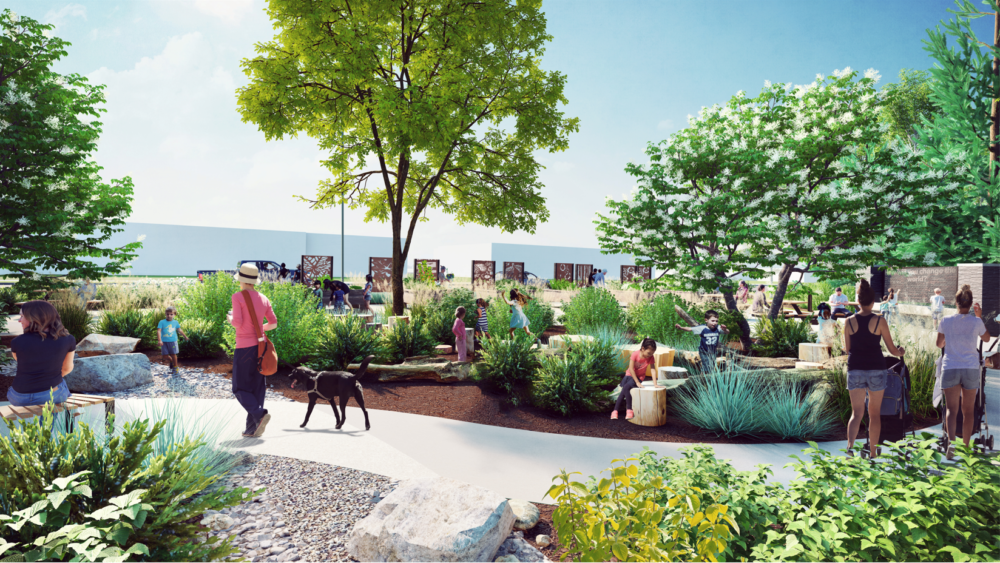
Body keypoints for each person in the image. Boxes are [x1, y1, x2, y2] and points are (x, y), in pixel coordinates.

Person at [844, 279, 906, 459]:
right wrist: (900, 351)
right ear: (873, 302)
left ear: (858, 301)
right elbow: (892, 349)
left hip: (855, 368)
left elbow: (847, 349)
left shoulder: (848, 322)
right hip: (876, 370)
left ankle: (849, 449)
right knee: (874, 414)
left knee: (856, 414)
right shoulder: (880, 321)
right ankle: (872, 453)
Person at [937, 284, 991, 459]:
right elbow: (987, 338)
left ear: (956, 302)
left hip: (951, 367)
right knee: (968, 410)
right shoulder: (976, 321)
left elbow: (939, 344)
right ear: (970, 304)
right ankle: (966, 447)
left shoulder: (946, 321)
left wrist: (950, 340)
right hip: (970, 368)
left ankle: (951, 445)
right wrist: (979, 316)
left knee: (951, 410)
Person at [227, 263, 278, 438]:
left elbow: (238, 323)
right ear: (254, 281)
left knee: (240, 388)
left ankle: (259, 414)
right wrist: (259, 329)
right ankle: (252, 429)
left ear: (241, 280)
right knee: (257, 387)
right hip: (261, 347)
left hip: (244, 347)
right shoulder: (264, 298)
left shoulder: (238, 297)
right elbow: (273, 323)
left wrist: (230, 318)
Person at [8, 301, 75, 407]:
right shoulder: (68, 339)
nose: (19, 320)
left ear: (34, 318)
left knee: (56, 387)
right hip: (50, 395)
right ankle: (56, 422)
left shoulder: (16, 341)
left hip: (18, 397)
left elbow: (24, 364)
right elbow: (67, 369)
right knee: (60, 385)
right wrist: (48, 376)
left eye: (21, 316)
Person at [611, 338, 659, 420]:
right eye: (649, 353)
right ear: (643, 348)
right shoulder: (635, 354)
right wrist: (637, 382)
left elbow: (653, 370)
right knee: (623, 392)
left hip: (640, 377)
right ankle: (615, 411)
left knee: (625, 388)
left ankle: (628, 410)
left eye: (652, 353)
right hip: (630, 375)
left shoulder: (651, 357)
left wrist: (655, 384)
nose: (650, 355)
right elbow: (631, 368)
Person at [157, 306, 189, 375]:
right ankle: (171, 360)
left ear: (174, 314)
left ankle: (175, 367)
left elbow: (179, 330)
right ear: (165, 314)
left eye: (171, 314)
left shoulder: (175, 322)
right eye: (167, 314)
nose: (169, 315)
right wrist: (159, 340)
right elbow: (159, 331)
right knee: (164, 356)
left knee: (173, 354)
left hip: (173, 341)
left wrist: (185, 336)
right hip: (164, 342)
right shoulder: (162, 322)